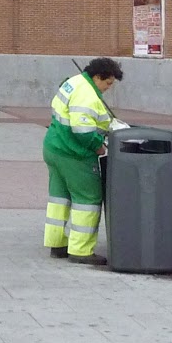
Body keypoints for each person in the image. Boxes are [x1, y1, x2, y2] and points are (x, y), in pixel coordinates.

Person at [42, 57, 123, 267]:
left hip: (54, 148)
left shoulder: (74, 82)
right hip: (74, 154)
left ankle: (57, 243)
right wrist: (100, 146)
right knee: (88, 198)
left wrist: (113, 125)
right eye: (107, 83)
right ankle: (81, 250)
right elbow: (83, 131)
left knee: (59, 198)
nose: (108, 88)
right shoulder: (86, 94)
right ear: (97, 77)